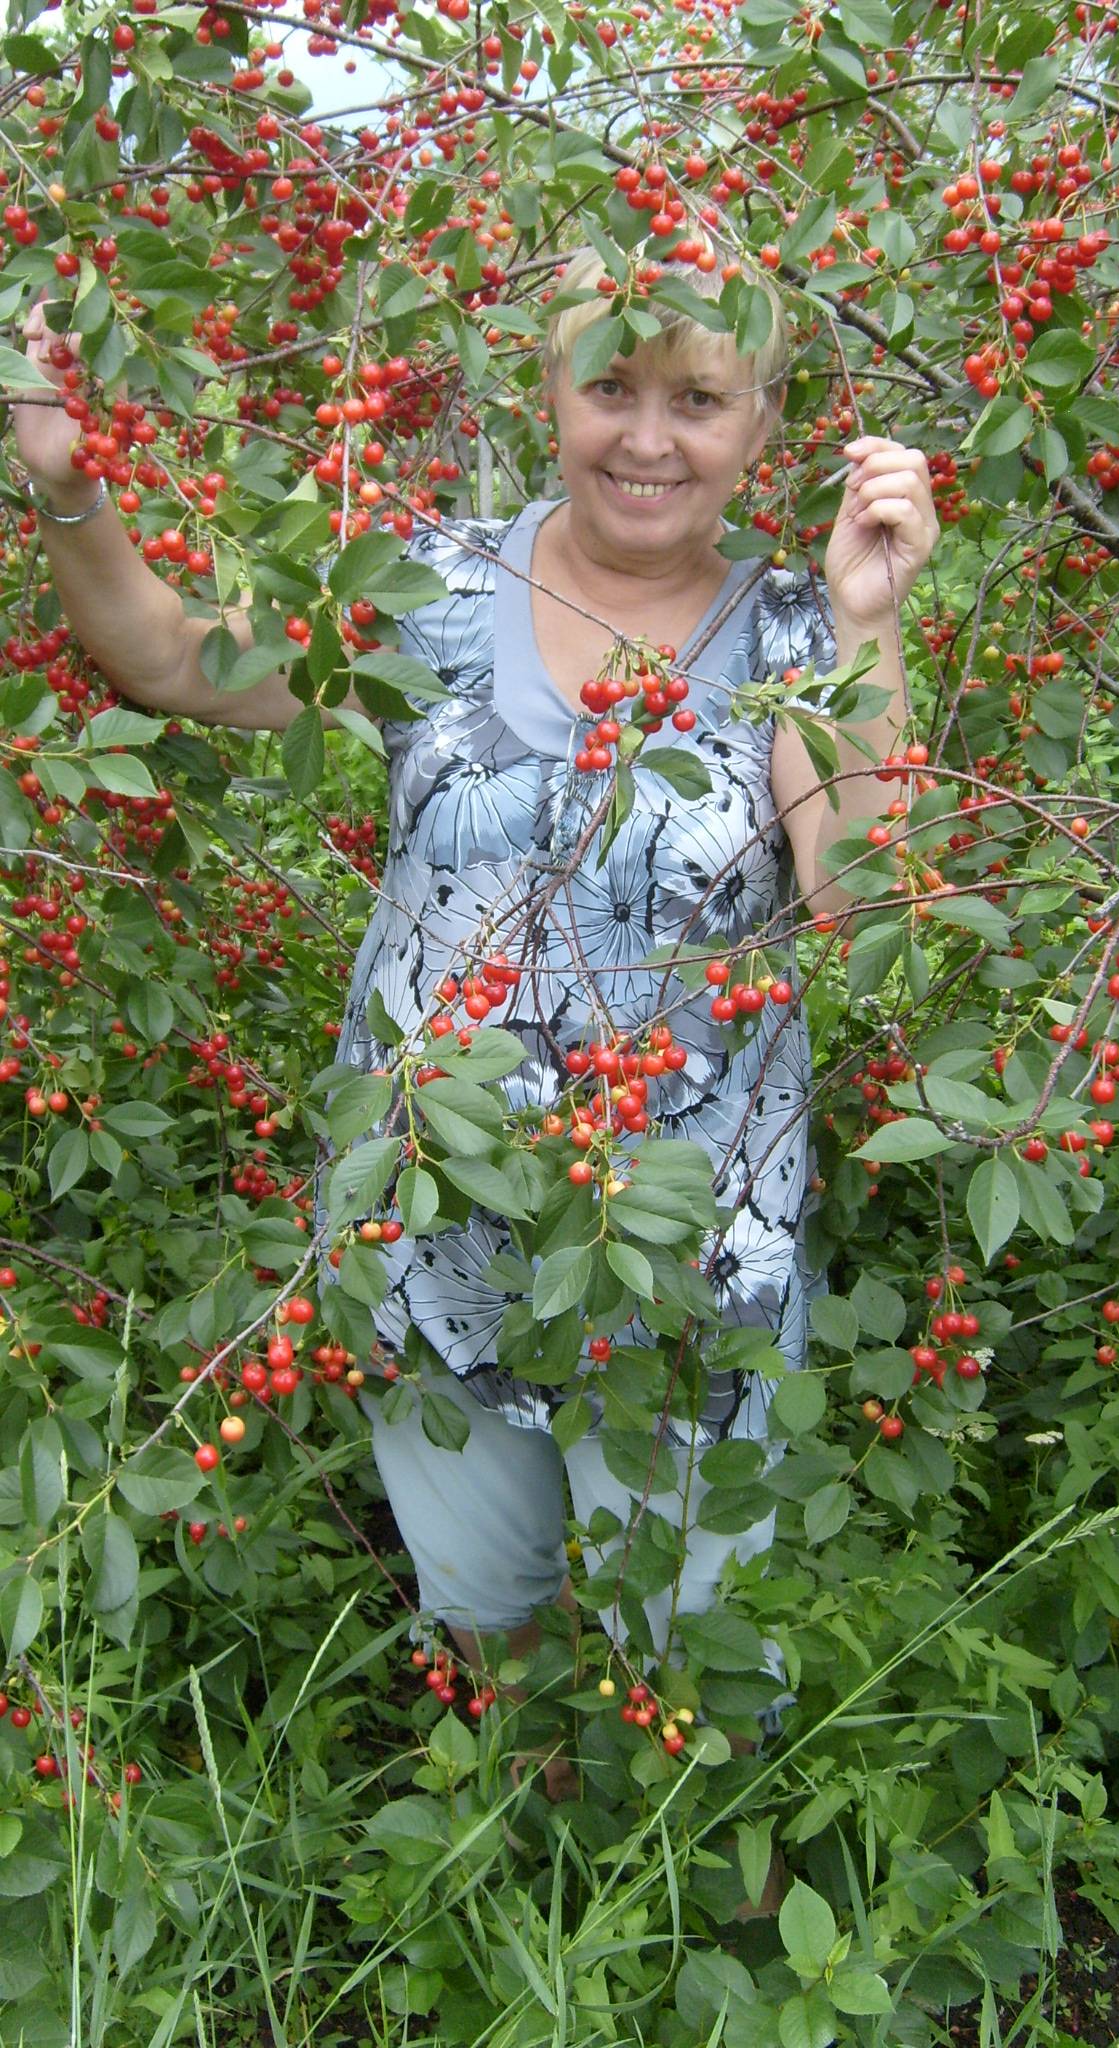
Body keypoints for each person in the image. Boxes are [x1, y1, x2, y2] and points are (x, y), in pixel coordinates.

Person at [16, 250, 938, 1874]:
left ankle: (683, 1883)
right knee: (487, 1597)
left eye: (699, 401)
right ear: (549, 395)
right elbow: (167, 665)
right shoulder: (423, 585)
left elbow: (862, 892)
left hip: (687, 1270)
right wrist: (77, 494)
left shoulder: (800, 626)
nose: (648, 438)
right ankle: (532, 1856)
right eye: (612, 390)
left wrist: (873, 632)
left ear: (761, 425)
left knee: (696, 1619)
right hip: (428, 1237)